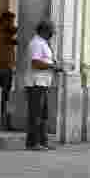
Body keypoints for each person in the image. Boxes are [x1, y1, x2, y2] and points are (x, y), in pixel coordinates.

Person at [25, 20, 61, 151]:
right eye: (51, 32)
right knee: (36, 114)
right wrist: (52, 66)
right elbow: (35, 63)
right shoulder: (36, 43)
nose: (52, 34)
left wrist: (53, 63)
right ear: (44, 31)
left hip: (43, 83)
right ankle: (33, 143)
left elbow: (44, 60)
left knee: (43, 114)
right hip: (36, 83)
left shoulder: (43, 43)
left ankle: (42, 141)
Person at [0, 11, 18, 131]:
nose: (12, 24)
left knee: (6, 96)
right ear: (4, 21)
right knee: (3, 96)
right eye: (10, 21)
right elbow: (14, 32)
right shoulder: (1, 34)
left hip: (8, 69)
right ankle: (0, 122)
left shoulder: (7, 34)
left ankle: (3, 121)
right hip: (3, 69)